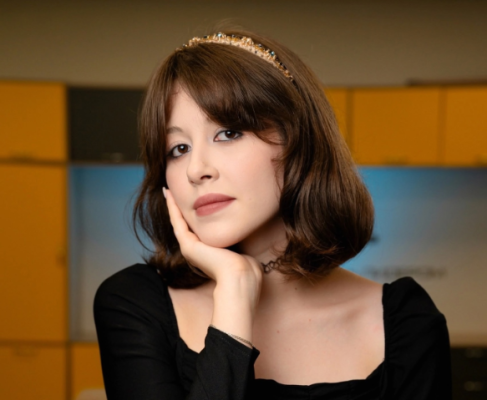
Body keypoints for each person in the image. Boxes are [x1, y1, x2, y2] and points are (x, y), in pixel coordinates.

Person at [94, 30, 452, 399]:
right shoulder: (135, 303)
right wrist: (234, 295)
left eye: (228, 133)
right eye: (178, 148)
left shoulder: (406, 322)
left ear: (298, 141)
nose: (196, 169)